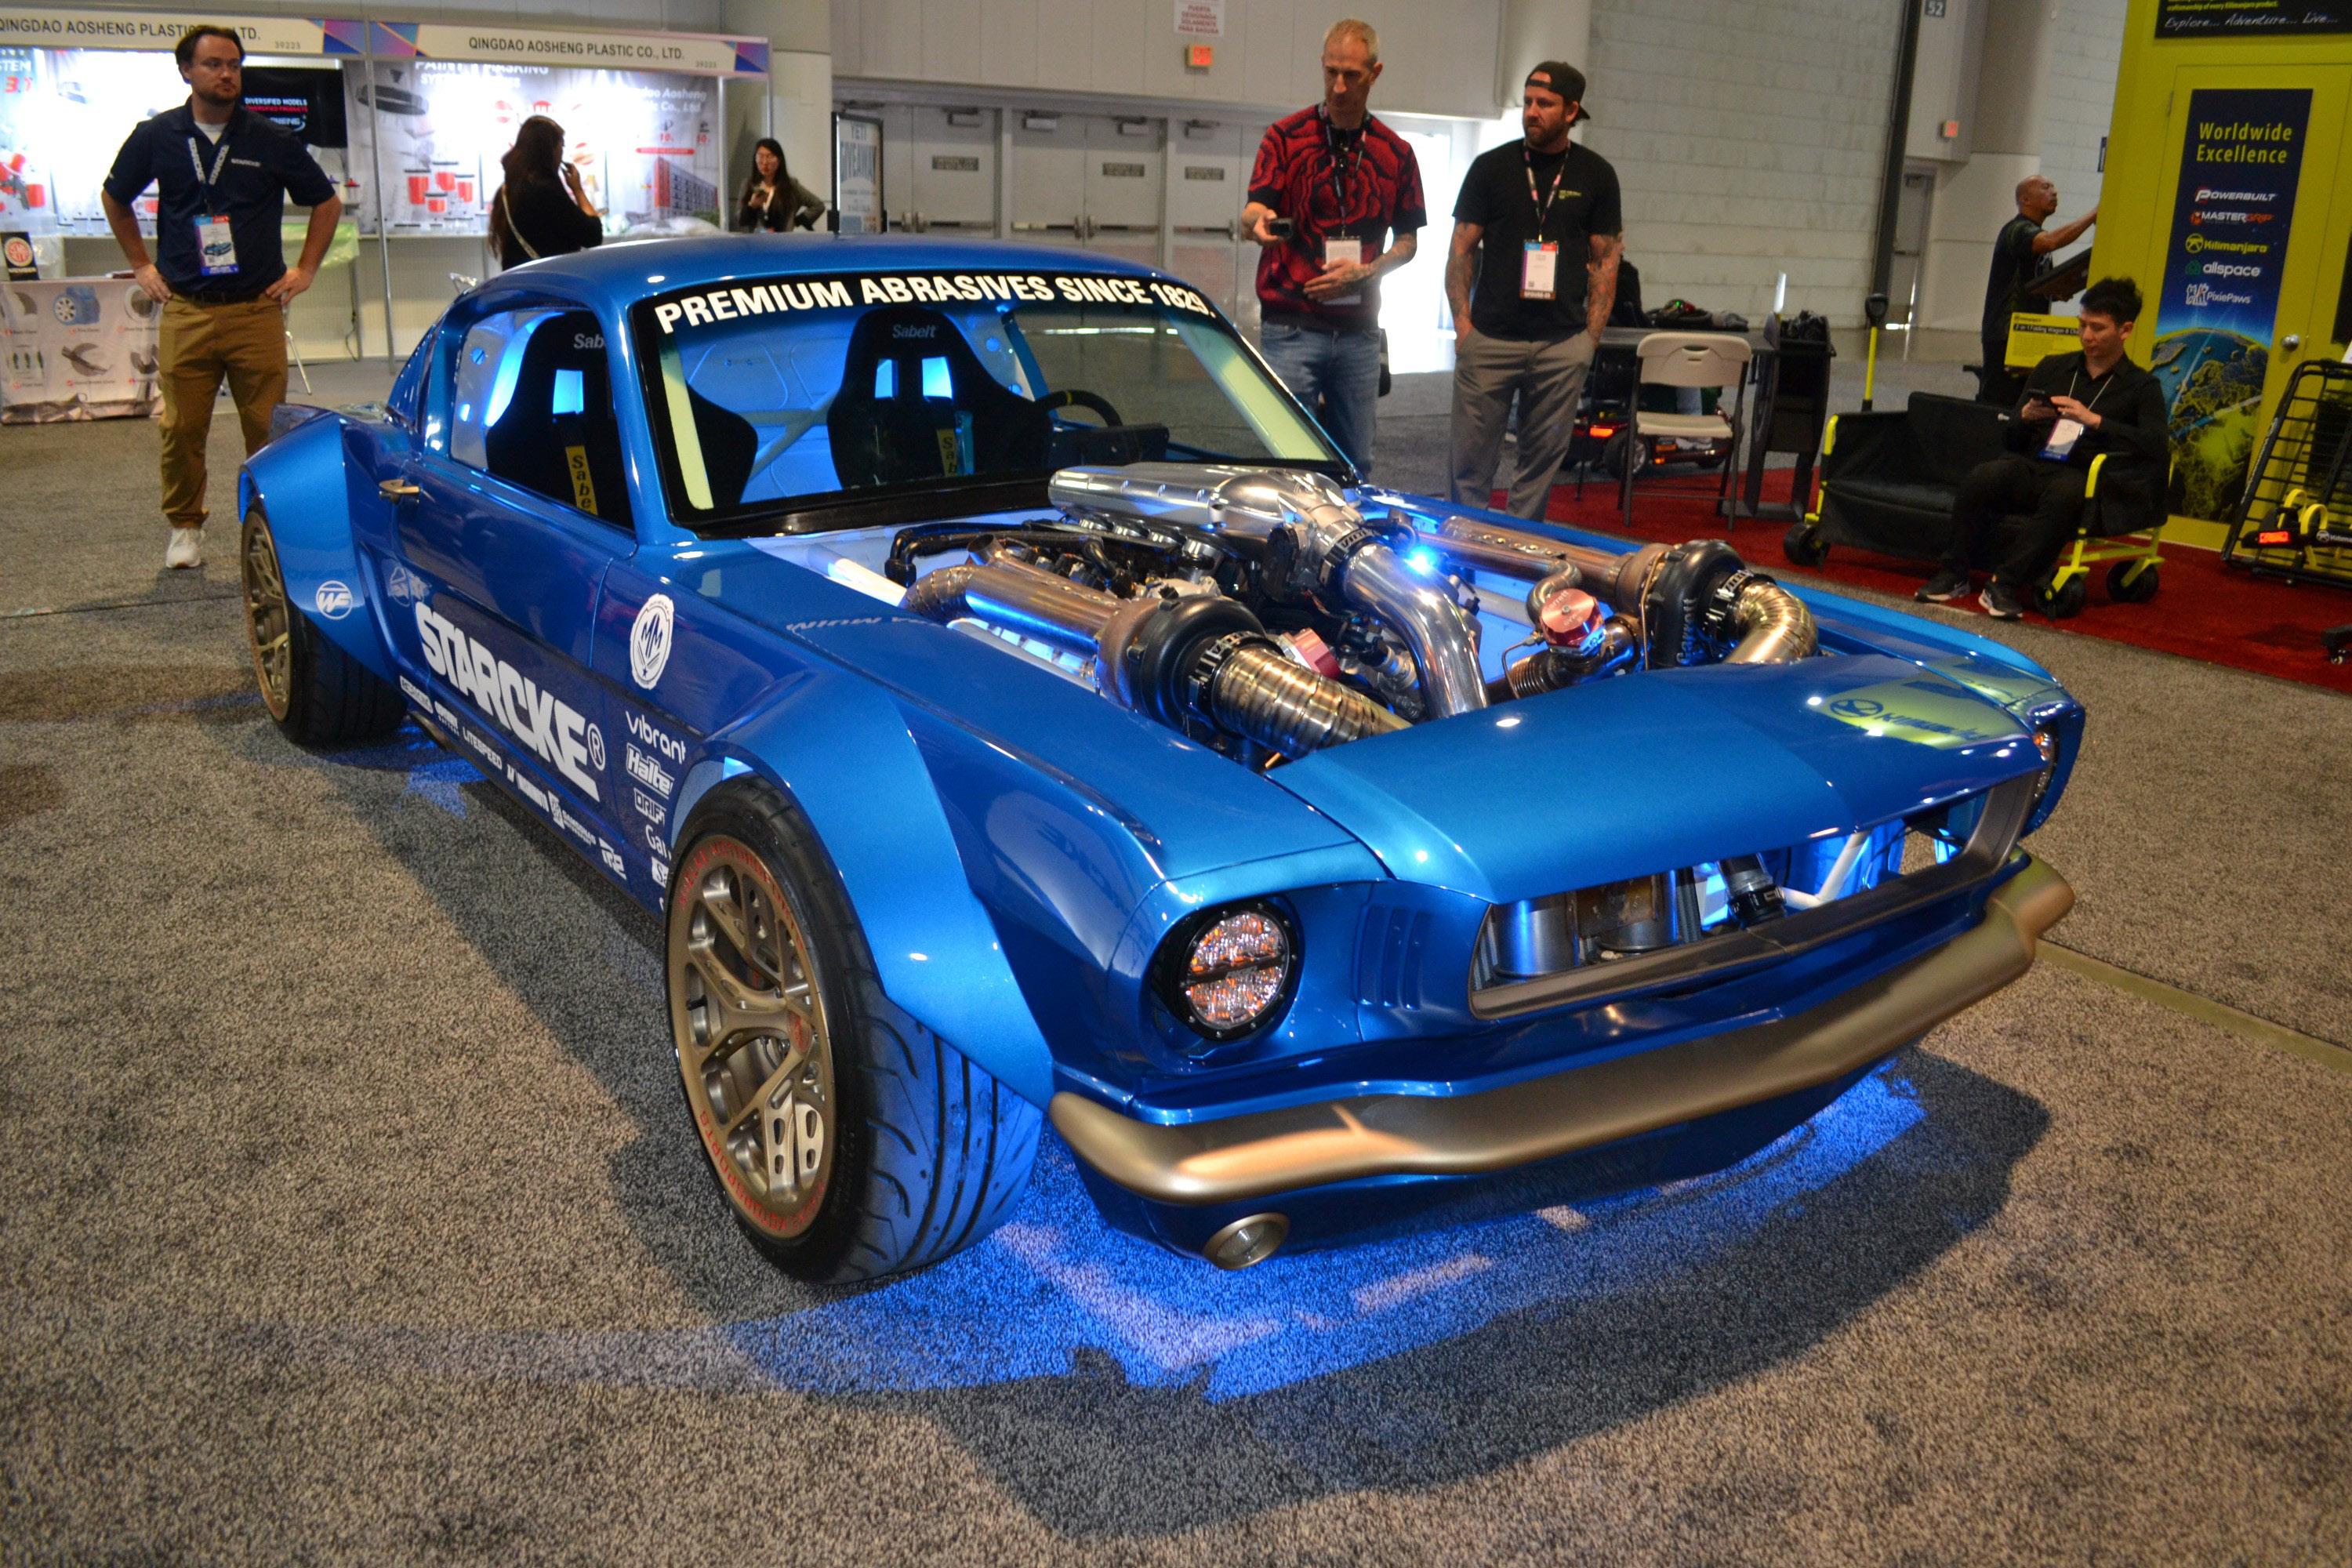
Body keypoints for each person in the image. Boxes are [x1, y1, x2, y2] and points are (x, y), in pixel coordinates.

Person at [100, 24, 342, 572]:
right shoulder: (156, 135)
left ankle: (271, 522)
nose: (227, 74)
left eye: (234, 65)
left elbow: (326, 202)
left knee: (267, 429)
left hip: (256, 309)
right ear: (187, 70)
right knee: (182, 428)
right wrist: (141, 265)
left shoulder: (270, 138)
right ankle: (185, 525)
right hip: (187, 308)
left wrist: (305, 270)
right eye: (213, 64)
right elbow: (115, 197)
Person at [1241, 18, 1425, 477]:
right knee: (1287, 462)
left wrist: (1367, 271)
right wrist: (1255, 222)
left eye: (1352, 75)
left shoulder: (1396, 152)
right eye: (1331, 72)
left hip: (1359, 333)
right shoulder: (1285, 137)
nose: (1339, 86)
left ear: (1374, 74)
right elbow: (1253, 209)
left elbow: (1408, 243)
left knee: (1356, 463)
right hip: (1291, 328)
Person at [1920, 276, 2165, 620]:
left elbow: (2155, 444)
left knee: (2066, 493)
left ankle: (2004, 584)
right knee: (1984, 476)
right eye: (2082, 325)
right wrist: (2024, 417)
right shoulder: (2054, 368)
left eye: (2098, 328)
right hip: (2037, 463)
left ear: (2125, 330)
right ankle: (1953, 572)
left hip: (2087, 475)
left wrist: (2095, 421)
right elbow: (2012, 436)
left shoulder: (2142, 387)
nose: (2087, 336)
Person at [1445, 62, 1621, 519]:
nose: (1531, 112)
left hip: (1561, 346)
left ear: (1571, 111)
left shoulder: (1596, 174)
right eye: (1527, 102)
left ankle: (1521, 548)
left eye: (1544, 104)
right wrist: (1463, 328)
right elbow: (1461, 250)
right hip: (1490, 340)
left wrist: (1589, 341)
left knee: (1538, 469)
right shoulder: (1491, 168)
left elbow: (1606, 259)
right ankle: (1463, 546)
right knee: (1469, 467)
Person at [1977, 175, 2095, 405]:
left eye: (2054, 187)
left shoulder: (2035, 234)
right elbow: (2050, 242)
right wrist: (2094, 215)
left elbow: (2034, 285)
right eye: (2045, 187)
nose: (2054, 192)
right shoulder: (2017, 229)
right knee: (2000, 402)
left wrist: (2059, 290)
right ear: (2025, 200)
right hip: (2006, 334)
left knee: (2024, 401)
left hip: (2029, 334)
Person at [488, 115, 602, 271]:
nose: (562, 154)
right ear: (551, 150)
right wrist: (578, 190)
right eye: (561, 147)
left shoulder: (505, 190)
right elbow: (593, 235)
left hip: (515, 279)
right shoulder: (547, 190)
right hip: (547, 280)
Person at [735, 137, 825, 233]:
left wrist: (798, 221)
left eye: (770, 157)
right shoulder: (748, 184)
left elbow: (818, 205)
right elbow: (739, 219)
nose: (765, 162)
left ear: (779, 160)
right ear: (755, 159)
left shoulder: (791, 186)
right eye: (760, 157)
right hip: (755, 240)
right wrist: (751, 206)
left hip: (783, 241)